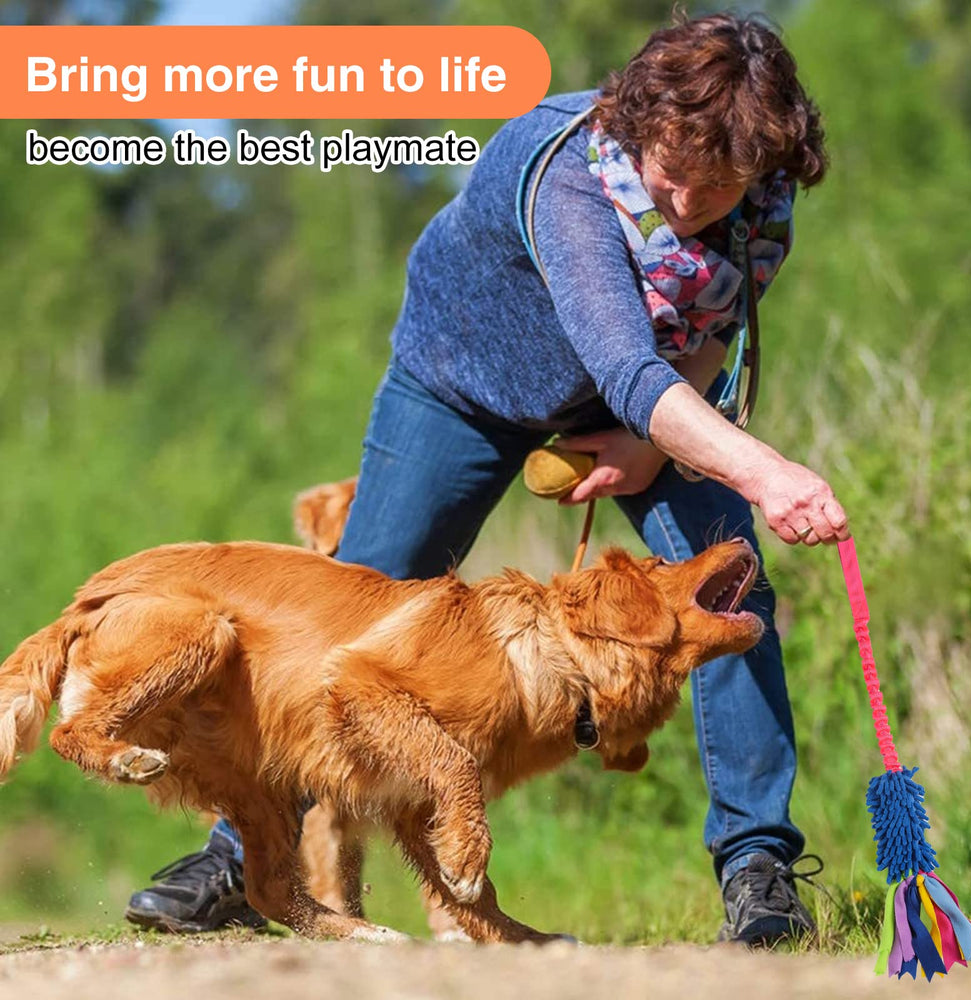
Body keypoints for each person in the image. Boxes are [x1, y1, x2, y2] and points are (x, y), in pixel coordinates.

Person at [125, 11, 849, 945]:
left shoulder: (764, 196)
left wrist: (656, 449)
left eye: (715, 188)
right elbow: (627, 362)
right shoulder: (566, 174)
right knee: (357, 596)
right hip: (462, 382)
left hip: (638, 405)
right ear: (640, 127)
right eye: (670, 175)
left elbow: (709, 332)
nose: (683, 203)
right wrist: (767, 471)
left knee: (729, 586)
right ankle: (240, 856)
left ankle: (761, 874)